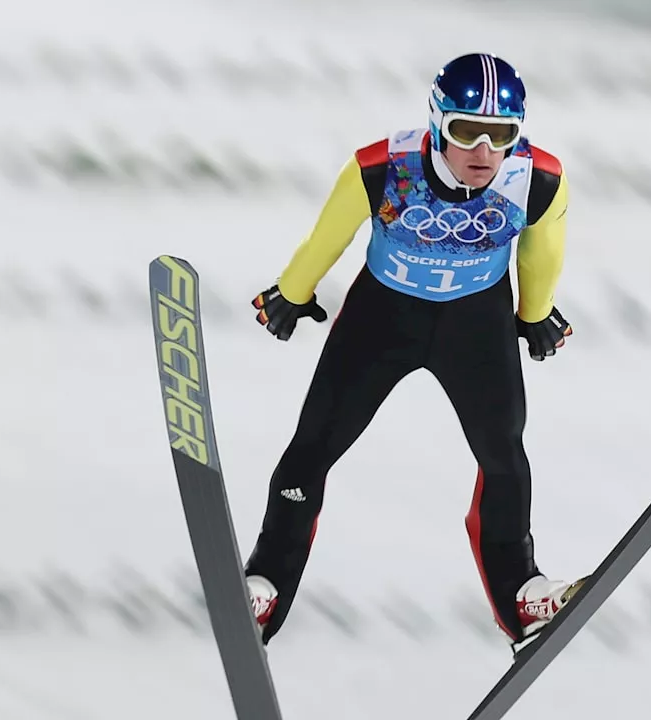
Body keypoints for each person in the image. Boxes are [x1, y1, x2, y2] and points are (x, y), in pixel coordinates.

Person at [239, 52, 586, 653]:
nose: (482, 150)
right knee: (313, 447)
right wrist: (291, 293)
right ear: (436, 122)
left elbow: (542, 251)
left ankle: (522, 596)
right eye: (464, 132)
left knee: (503, 457)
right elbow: (329, 233)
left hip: (475, 323)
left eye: (500, 134)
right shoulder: (382, 166)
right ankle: (265, 583)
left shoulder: (541, 179)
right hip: (382, 317)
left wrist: (534, 314)